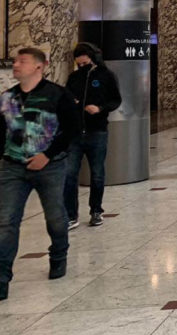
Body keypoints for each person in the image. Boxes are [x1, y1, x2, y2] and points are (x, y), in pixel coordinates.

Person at [0, 47, 80, 301]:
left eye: (22, 61)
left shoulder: (57, 95)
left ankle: (58, 254)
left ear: (39, 66)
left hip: (50, 166)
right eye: (15, 61)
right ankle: (2, 277)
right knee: (6, 221)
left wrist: (47, 155)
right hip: (13, 166)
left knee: (55, 216)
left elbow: (72, 129)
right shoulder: (8, 97)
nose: (16, 65)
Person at [64, 42, 122, 228]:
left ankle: (96, 210)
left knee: (97, 173)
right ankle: (71, 215)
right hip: (75, 133)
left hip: (97, 131)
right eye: (79, 64)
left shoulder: (106, 76)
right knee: (70, 174)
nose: (82, 67)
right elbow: (65, 99)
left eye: (85, 63)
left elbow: (115, 100)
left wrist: (100, 108)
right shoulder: (74, 78)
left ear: (93, 59)